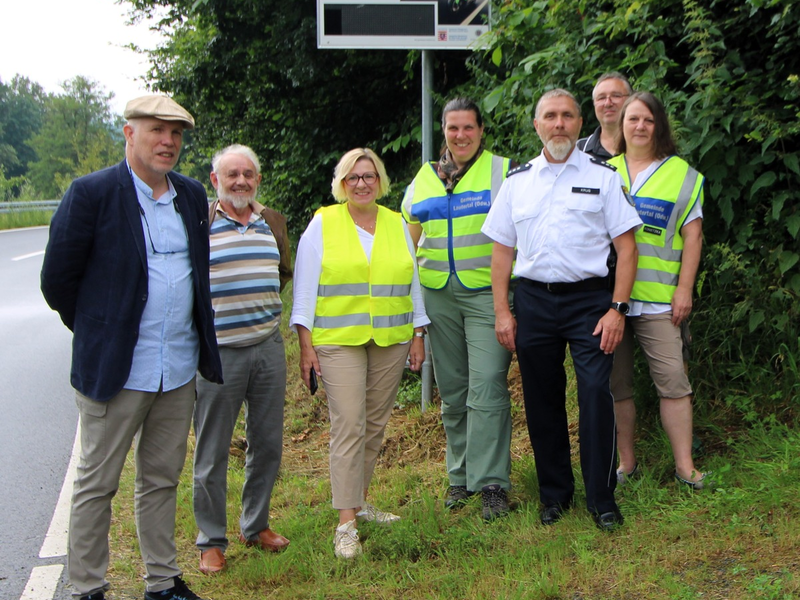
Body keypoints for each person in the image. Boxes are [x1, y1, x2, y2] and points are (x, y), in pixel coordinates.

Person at [40, 95, 223, 600]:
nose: (168, 142)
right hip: (116, 371)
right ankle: (87, 588)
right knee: (97, 485)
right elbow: (58, 280)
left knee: (161, 480)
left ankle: (161, 583)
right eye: (157, 130)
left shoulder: (188, 196)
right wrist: (101, 331)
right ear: (129, 133)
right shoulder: (92, 193)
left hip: (178, 368)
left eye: (176, 134)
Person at [482, 89, 642, 531]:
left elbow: (626, 249)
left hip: (590, 301)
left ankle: (601, 498)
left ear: (578, 123)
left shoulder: (604, 176)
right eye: (549, 116)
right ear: (536, 125)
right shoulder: (518, 181)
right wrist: (502, 311)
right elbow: (500, 253)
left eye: (567, 116)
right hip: (533, 301)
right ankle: (555, 496)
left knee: (595, 392)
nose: (558, 124)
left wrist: (618, 309)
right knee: (541, 398)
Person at [290, 148, 429, 559]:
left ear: (380, 181)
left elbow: (412, 281)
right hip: (336, 339)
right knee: (348, 424)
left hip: (392, 337)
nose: (362, 183)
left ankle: (362, 501)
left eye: (369, 176)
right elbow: (304, 288)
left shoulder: (396, 223)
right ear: (342, 184)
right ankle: (346, 523)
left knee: (373, 425)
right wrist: (304, 343)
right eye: (354, 177)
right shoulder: (323, 223)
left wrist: (419, 332)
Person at [401, 97, 515, 521]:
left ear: (481, 130)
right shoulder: (424, 178)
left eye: (469, 127)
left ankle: (492, 484)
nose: (461, 135)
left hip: (487, 293)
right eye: (453, 128)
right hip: (437, 295)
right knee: (453, 391)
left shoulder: (502, 172)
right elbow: (407, 244)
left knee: (487, 384)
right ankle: (460, 477)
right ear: (443, 131)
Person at [192, 144, 292, 575]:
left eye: (248, 174)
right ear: (215, 180)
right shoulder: (200, 224)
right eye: (231, 174)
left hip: (268, 348)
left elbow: (283, 272)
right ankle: (211, 541)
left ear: (258, 180)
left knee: (267, 444)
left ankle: (256, 525)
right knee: (212, 450)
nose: (241, 181)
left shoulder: (272, 222)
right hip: (218, 355)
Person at [607, 92, 708, 489]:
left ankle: (686, 467)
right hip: (610, 300)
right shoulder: (602, 170)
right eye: (633, 119)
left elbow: (693, 236)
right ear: (621, 125)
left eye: (648, 120)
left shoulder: (682, 175)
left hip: (659, 298)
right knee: (617, 386)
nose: (640, 126)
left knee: (673, 380)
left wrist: (685, 290)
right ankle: (626, 464)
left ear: (658, 125)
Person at [577, 72, 633, 160]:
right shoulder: (577, 150)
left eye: (616, 96)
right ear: (594, 103)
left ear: (630, 100)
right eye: (601, 98)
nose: (608, 103)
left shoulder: (645, 147)